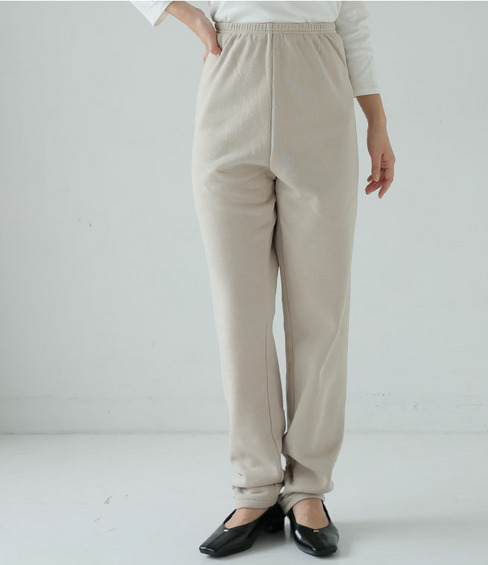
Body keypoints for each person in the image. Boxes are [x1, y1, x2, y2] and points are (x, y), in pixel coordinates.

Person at [131, 0, 395, 557]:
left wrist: (377, 120)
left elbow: (352, 20)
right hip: (233, 78)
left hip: (320, 82)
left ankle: (308, 489)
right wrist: (188, 15)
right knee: (240, 313)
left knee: (321, 310)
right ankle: (255, 487)